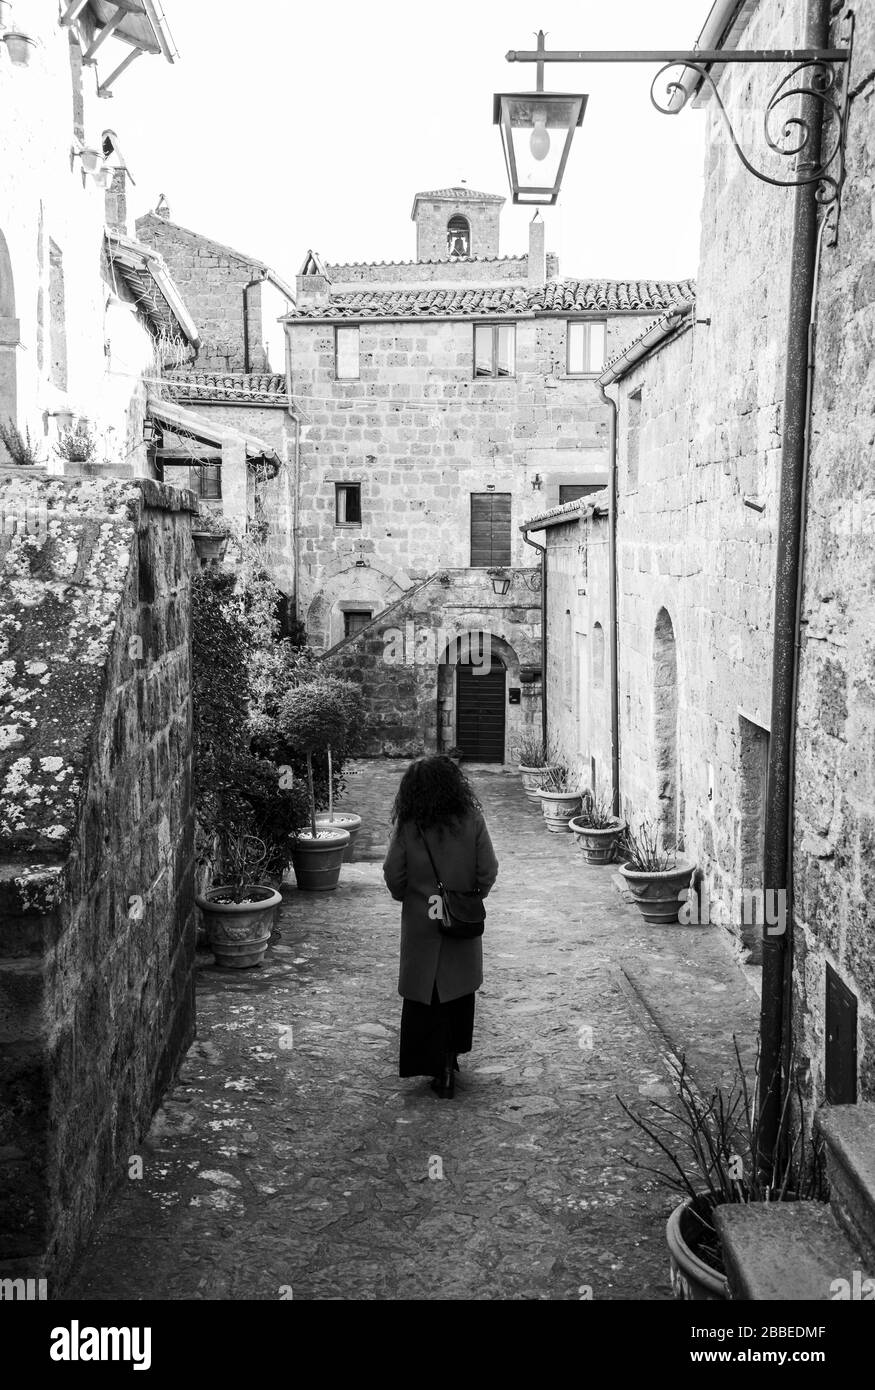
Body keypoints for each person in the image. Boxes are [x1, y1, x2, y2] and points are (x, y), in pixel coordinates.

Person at [382, 756, 499, 1098]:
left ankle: (433, 1065)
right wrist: (469, 899)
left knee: (425, 999)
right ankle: (450, 1063)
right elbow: (488, 870)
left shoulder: (409, 825)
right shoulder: (472, 819)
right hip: (460, 923)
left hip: (422, 924)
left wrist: (407, 896)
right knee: (457, 995)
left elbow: (393, 872)